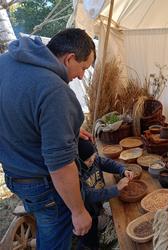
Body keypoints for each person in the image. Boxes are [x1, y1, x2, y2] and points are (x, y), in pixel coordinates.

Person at [0, 28, 96, 249]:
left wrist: (66, 130)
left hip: (15, 174)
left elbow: (18, 114)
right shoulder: (55, 90)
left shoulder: (6, 62)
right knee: (55, 240)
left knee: (45, 228)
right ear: (69, 58)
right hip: (44, 185)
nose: (81, 76)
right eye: (83, 68)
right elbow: (60, 166)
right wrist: (79, 212)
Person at [76, 138, 134, 249]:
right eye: (89, 160)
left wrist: (122, 170)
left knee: (95, 230)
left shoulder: (94, 159)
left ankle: (97, 240)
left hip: (96, 208)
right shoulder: (77, 175)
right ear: (78, 162)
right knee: (88, 240)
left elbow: (108, 163)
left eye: (93, 156)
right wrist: (116, 188)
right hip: (85, 213)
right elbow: (89, 195)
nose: (92, 160)